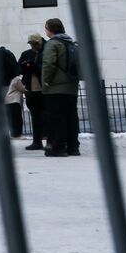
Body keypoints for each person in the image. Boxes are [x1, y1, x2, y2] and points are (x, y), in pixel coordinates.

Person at [41, 18, 81, 157]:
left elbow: (48, 64)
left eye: (46, 28)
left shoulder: (52, 44)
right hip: (72, 86)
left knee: (57, 117)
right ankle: (73, 147)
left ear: (50, 29)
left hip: (55, 87)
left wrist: (45, 82)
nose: (45, 31)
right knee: (71, 116)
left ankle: (58, 148)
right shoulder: (70, 42)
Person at [19, 34, 45, 150]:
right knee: (35, 115)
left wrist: (35, 67)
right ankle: (37, 141)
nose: (33, 46)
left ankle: (49, 140)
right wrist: (25, 66)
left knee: (46, 115)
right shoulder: (26, 54)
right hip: (30, 89)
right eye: (31, 44)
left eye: (35, 43)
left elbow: (47, 68)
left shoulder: (45, 52)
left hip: (43, 89)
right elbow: (19, 69)